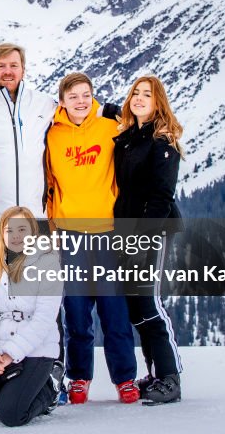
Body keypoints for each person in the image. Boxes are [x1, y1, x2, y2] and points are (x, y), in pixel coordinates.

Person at [45, 73, 139, 404]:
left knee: (115, 310)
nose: (81, 102)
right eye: (74, 97)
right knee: (77, 311)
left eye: (86, 95)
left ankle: (125, 378)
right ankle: (79, 377)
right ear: (62, 100)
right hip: (69, 232)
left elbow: (143, 125)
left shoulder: (110, 125)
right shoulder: (52, 133)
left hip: (107, 231)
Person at [113, 75, 185, 405]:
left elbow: (161, 197)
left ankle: (170, 376)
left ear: (159, 103)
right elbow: (107, 111)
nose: (140, 99)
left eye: (147, 95)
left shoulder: (162, 141)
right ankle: (154, 374)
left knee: (148, 303)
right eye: (136, 94)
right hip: (123, 230)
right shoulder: (128, 136)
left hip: (149, 232)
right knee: (134, 308)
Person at [0, 206, 64, 427]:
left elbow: (44, 320)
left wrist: (10, 353)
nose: (16, 236)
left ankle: (49, 388)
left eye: (22, 230)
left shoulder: (48, 264)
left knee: (12, 414)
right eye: (9, 230)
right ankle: (11, 388)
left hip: (37, 350)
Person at [0, 43, 56, 219]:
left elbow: (78, 112)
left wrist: (109, 113)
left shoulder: (44, 104)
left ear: (23, 70)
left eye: (13, 65)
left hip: (36, 215)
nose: (8, 71)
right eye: (1, 66)